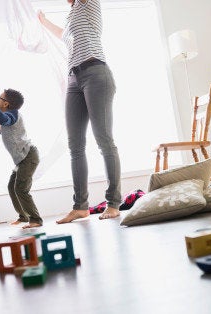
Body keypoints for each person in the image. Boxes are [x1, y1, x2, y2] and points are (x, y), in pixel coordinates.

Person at [38, 0, 122, 223]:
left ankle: (113, 203)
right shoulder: (72, 16)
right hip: (74, 79)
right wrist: (43, 21)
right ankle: (80, 207)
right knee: (75, 144)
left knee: (104, 139)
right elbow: (64, 35)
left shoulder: (88, 4)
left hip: (96, 73)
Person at [0, 89, 43, 229]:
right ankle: (23, 216)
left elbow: (6, 120)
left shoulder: (12, 114)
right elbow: (9, 132)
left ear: (5, 104)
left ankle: (36, 219)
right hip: (21, 159)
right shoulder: (8, 116)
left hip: (28, 156)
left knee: (21, 189)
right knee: (12, 187)